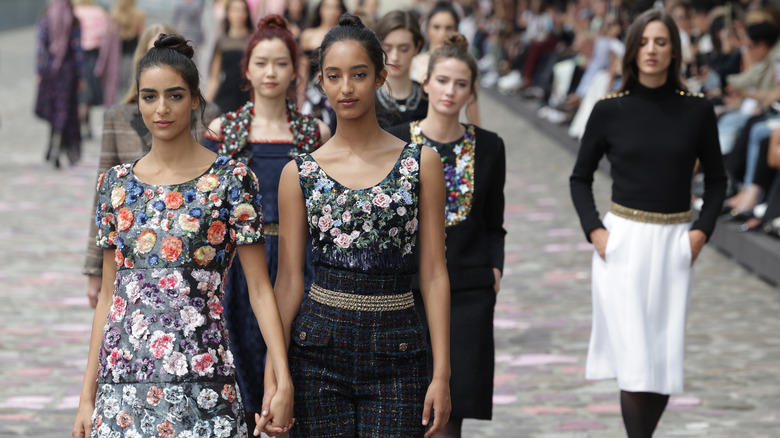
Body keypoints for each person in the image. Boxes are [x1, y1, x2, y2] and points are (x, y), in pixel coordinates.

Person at [71, 33, 294, 437]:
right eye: (149, 96)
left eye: (174, 95)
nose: (161, 109)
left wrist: (281, 379)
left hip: (204, 382)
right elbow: (108, 297)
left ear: (195, 99)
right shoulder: (115, 185)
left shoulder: (232, 179)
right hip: (122, 388)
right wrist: (87, 398)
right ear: (137, 101)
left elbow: (261, 290)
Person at [267, 13, 451, 438]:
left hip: (399, 350)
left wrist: (442, 373)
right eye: (334, 76)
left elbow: (435, 273)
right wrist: (275, 375)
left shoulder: (421, 164)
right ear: (321, 83)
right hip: (315, 350)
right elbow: (289, 282)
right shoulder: (300, 174)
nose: (346, 88)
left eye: (359, 74)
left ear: (381, 77)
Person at [569, 9, 727, 437]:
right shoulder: (609, 109)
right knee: (635, 358)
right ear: (632, 49)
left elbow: (717, 180)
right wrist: (595, 231)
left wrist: (700, 232)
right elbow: (580, 177)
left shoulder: (696, 110)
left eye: (660, 42)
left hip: (676, 242)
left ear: (674, 49)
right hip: (622, 241)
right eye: (643, 42)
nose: (651, 50)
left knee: (661, 357)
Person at [202, 14, 331, 433]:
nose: (270, 73)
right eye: (261, 63)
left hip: (301, 262)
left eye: (280, 63)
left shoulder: (316, 133)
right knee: (242, 367)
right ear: (247, 69)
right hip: (242, 267)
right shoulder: (223, 131)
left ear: (296, 69)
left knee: (298, 368)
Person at [388, 33, 506, 438]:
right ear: (426, 83)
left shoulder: (489, 146)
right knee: (405, 405)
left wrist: (495, 268)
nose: (449, 91)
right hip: (408, 291)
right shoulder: (398, 140)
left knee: (450, 414)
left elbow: (494, 221)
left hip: (469, 290)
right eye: (441, 81)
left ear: (472, 91)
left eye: (460, 84)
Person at [82, 23, 222, 308]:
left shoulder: (207, 118)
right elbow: (104, 198)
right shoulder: (118, 118)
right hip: (131, 253)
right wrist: (93, 268)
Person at [35, 0, 84, 169]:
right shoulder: (73, 19)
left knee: (54, 110)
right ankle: (57, 148)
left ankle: (52, 146)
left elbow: (40, 47)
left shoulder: (46, 18)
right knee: (64, 111)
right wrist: (81, 76)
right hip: (68, 72)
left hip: (51, 70)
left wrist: (39, 72)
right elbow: (78, 50)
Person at [298, 0, 348, 131]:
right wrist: (300, 95)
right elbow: (303, 68)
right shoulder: (308, 35)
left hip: (338, 90)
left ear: (341, 11)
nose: (331, 12)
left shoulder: (346, 36)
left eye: (335, 8)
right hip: (312, 91)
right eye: (327, 7)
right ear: (320, 9)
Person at [374, 10, 428, 128]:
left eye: (403, 49)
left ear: (417, 47)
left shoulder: (428, 98)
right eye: (387, 48)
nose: (394, 57)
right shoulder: (366, 99)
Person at [205, 0, 253, 113]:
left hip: (249, 93)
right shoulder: (222, 41)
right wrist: (206, 103)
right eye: (235, 10)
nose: (239, 14)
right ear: (228, 13)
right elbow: (214, 77)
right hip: (227, 93)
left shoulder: (253, 39)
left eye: (243, 10)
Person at [73, 0, 108, 139]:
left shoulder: (75, 12)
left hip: (77, 56)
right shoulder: (99, 12)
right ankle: (86, 127)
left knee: (82, 95)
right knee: (88, 93)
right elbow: (104, 36)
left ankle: (81, 127)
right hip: (93, 55)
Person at [109, 0, 146, 100]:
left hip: (117, 58)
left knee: (117, 85)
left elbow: (111, 39)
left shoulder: (114, 14)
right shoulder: (139, 15)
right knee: (130, 84)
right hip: (132, 56)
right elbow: (142, 38)